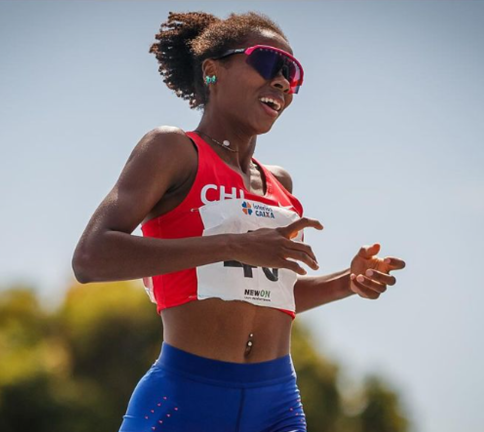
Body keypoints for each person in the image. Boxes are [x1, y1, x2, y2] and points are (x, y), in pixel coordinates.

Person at [72, 10, 407, 432]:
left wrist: (347, 282)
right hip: (184, 400)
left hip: (276, 402)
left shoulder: (279, 183)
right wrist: (234, 245)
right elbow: (90, 258)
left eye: (291, 72)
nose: (283, 81)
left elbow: (261, 296)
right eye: (267, 62)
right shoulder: (172, 150)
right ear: (212, 71)